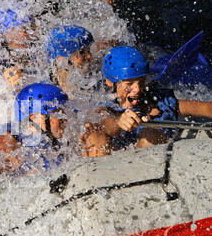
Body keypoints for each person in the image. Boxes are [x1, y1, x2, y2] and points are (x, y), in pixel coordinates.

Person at [0, 82, 109, 193]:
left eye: (64, 113)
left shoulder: (70, 134)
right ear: (35, 118)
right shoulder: (13, 138)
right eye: (57, 114)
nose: (64, 119)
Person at [79, 45, 212, 155]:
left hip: (154, 167)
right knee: (95, 137)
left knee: (148, 134)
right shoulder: (107, 108)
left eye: (141, 82)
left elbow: (205, 108)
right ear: (109, 82)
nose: (137, 89)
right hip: (118, 170)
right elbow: (106, 125)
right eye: (129, 84)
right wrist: (119, 121)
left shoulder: (160, 101)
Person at [46, 24, 117, 97]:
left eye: (88, 50)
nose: (89, 56)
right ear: (62, 59)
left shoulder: (98, 81)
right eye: (81, 52)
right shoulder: (47, 95)